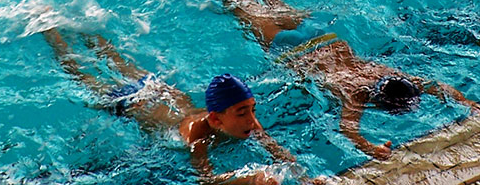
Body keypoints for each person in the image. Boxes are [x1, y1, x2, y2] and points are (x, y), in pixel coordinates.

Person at [196, 0, 480, 160]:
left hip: (320, 34)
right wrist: (371, 148)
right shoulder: (359, 92)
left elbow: (432, 85)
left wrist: (469, 103)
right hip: (293, 49)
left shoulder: (382, 73)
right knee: (239, 5)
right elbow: (348, 130)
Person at [42, 27, 308, 185]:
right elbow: (204, 179)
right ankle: (52, 31)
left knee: (112, 56)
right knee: (80, 72)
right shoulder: (197, 135)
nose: (252, 120)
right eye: (243, 112)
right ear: (216, 119)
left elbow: (279, 152)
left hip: (157, 89)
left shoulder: (247, 121)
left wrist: (307, 179)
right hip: (130, 101)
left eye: (252, 109)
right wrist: (246, 179)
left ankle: (83, 28)